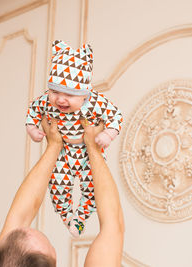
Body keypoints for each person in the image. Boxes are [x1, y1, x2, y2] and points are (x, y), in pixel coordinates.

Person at [0, 117, 124, 266]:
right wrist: (93, 148)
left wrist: (54, 145)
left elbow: (19, 217)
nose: (15, 227)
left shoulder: (7, 261)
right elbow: (112, 224)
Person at [26, 40, 123, 236]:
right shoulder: (46, 100)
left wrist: (108, 134)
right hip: (62, 150)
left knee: (93, 187)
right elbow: (33, 111)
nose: (60, 99)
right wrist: (32, 129)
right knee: (57, 186)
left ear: (84, 95)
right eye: (55, 92)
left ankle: (80, 217)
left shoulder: (96, 102)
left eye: (69, 95)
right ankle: (68, 217)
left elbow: (116, 117)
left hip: (88, 150)